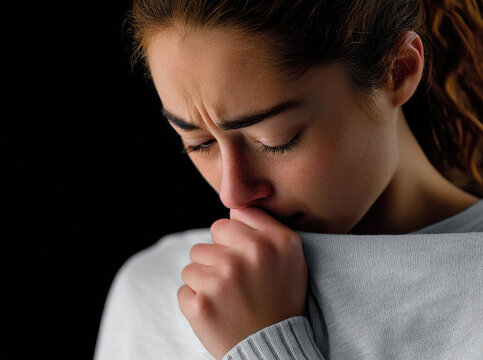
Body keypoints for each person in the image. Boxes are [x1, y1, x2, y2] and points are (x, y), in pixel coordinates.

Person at [95, 0, 483, 359]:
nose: (233, 194)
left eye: (276, 141)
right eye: (198, 144)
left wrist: (262, 344)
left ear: (397, 71)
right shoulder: (154, 289)